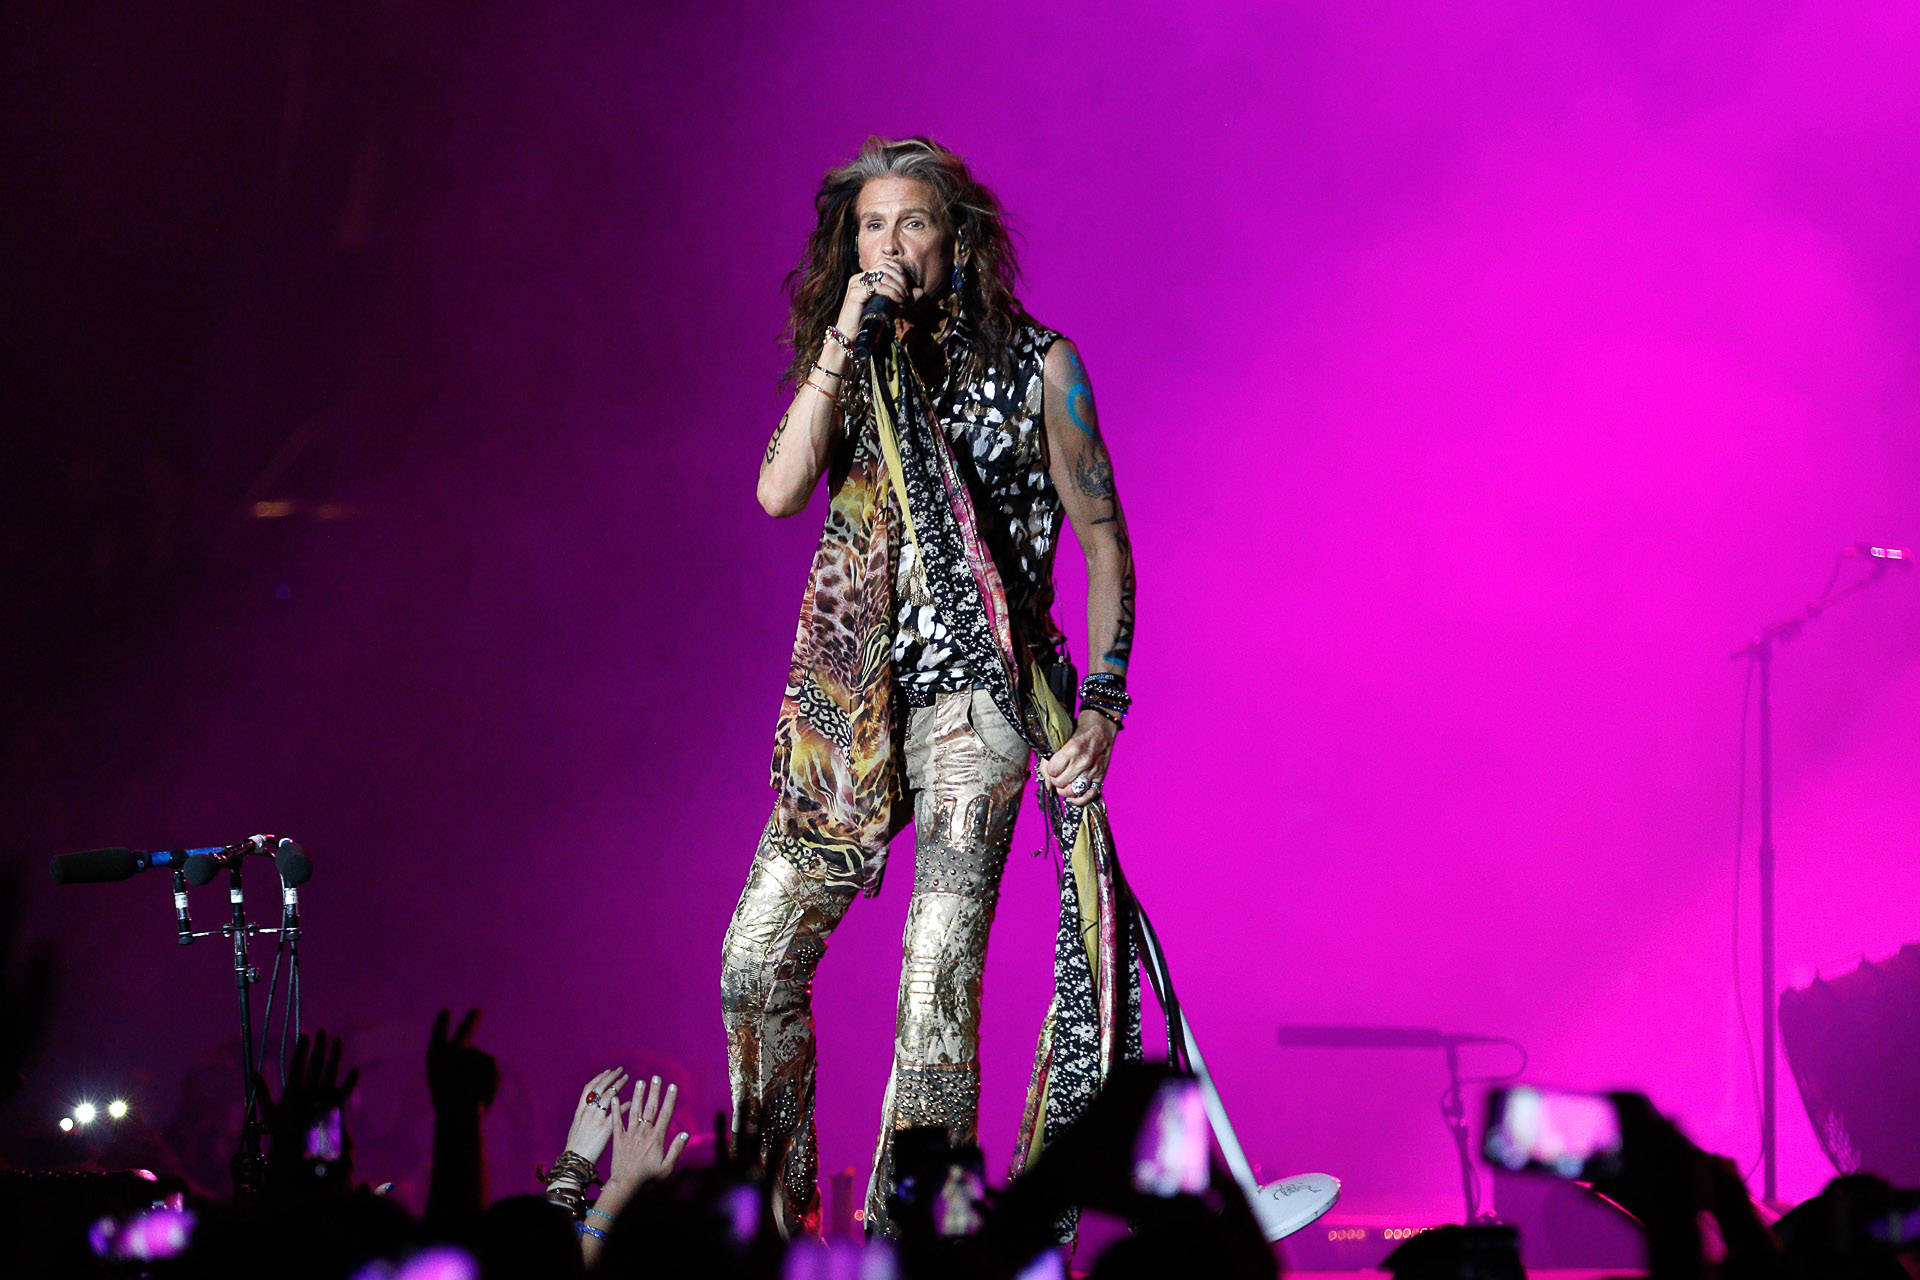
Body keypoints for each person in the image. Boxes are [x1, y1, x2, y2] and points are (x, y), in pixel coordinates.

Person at [722, 135, 1139, 1238]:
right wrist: (839, 343)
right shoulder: (853, 360)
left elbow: (1103, 537)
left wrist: (1104, 706)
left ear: (958, 239)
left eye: (912, 222)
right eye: (871, 225)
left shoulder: (1041, 363)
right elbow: (778, 492)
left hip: (978, 706)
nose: (889, 244)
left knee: (934, 979)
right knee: (755, 961)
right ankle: (773, 1231)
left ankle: (913, 1249)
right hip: (852, 709)